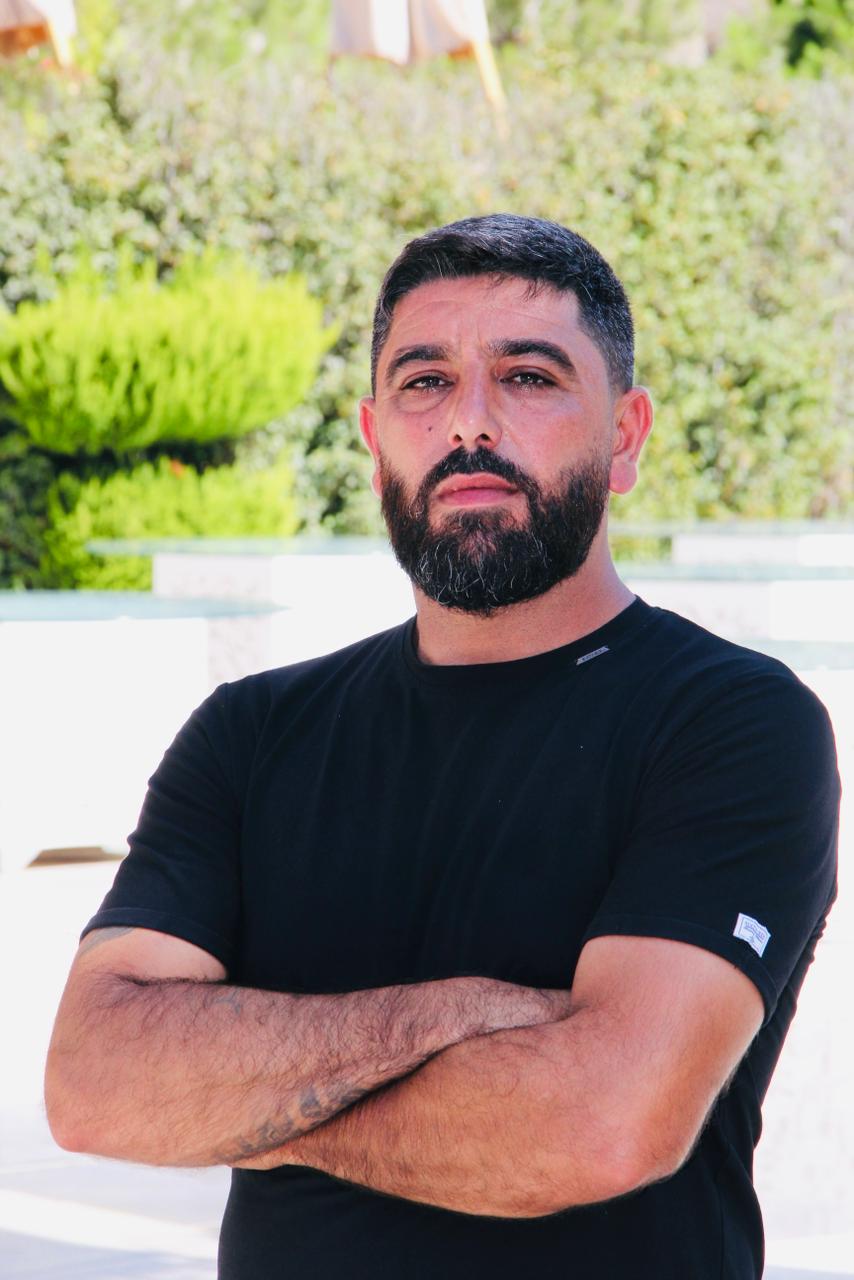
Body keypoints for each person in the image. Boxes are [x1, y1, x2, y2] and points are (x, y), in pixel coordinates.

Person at [45, 214, 839, 1279]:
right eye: (425, 381)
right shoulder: (251, 731)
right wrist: (459, 1017)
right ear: (375, 439)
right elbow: (93, 1084)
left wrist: (247, 1105)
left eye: (529, 377)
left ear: (625, 436)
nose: (469, 422)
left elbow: (600, 1125)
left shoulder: (732, 722)